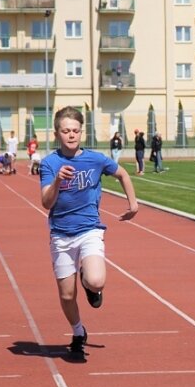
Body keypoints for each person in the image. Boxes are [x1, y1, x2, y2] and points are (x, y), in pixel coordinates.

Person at [39, 106, 139, 360]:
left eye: (75, 130)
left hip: (89, 230)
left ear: (81, 132)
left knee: (95, 280)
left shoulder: (95, 159)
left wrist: (133, 204)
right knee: (66, 294)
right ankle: (78, 331)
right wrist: (58, 181)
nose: (71, 135)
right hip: (61, 235)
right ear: (57, 133)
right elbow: (46, 203)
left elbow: (122, 173)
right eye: (65, 131)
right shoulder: (50, 164)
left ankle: (89, 282)